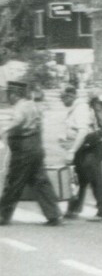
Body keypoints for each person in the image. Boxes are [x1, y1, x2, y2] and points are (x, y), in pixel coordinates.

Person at [0, 83, 64, 226]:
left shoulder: (21, 107)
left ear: (14, 94)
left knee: (14, 182)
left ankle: (3, 215)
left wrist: (4, 129)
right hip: (35, 146)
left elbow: (18, 120)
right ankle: (53, 214)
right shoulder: (33, 105)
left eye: (9, 94)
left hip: (23, 149)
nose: (8, 97)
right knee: (40, 181)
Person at [61, 89, 102, 222]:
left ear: (70, 96)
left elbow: (83, 131)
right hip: (85, 147)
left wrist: (72, 151)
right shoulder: (77, 107)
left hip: (90, 147)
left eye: (63, 98)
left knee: (95, 178)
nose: (62, 101)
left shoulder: (80, 108)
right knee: (79, 179)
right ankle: (73, 209)